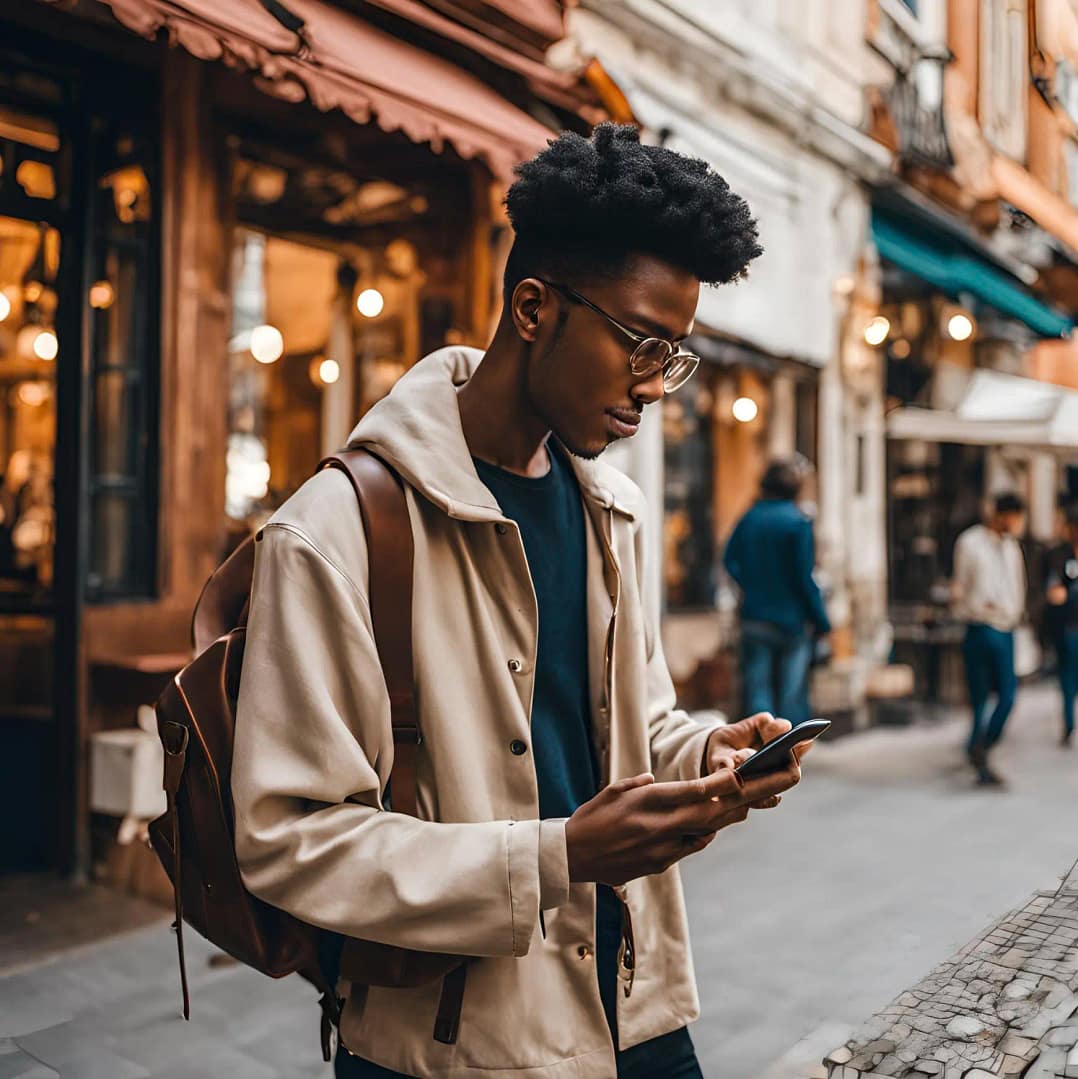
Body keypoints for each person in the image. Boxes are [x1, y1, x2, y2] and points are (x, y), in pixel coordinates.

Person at [230, 124, 809, 1079]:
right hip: (455, 1042)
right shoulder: (333, 530)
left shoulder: (611, 509)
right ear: (534, 308)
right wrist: (558, 854)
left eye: (675, 356)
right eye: (641, 344)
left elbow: (629, 726)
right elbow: (292, 842)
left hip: (635, 1002)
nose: (655, 387)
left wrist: (703, 756)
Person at [722, 455, 831, 727]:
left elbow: (729, 559)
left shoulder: (750, 518)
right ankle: (789, 746)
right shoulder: (798, 522)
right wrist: (821, 620)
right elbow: (804, 578)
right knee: (791, 695)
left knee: (758, 692)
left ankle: (760, 742)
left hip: (754, 616)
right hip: (791, 620)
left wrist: (750, 583)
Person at [952, 492, 1028, 785]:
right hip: (980, 625)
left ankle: (981, 746)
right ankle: (980, 757)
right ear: (1002, 515)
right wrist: (969, 606)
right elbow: (960, 585)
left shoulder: (1012, 547)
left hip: (1006, 627)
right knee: (980, 698)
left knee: (1008, 696)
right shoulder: (970, 543)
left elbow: (1018, 587)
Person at [1043, 501, 1078, 748]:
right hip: (1069, 627)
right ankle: (1068, 725)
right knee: (1067, 678)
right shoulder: (1058, 555)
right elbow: (1053, 591)